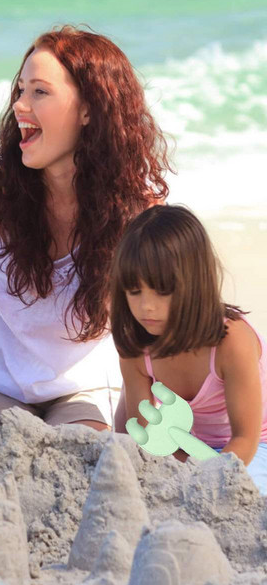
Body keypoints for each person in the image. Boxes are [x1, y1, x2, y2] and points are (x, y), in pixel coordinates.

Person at [0, 26, 170, 429]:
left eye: (39, 91)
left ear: (90, 109)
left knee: (80, 460)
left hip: (83, 389)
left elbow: (145, 339)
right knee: (3, 446)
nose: (20, 105)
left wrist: (129, 446)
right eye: (20, 90)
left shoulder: (138, 210)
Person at [112, 205, 267, 492]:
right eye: (135, 291)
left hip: (257, 444)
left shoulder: (231, 342)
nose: (147, 306)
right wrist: (180, 462)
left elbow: (246, 439)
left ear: (193, 284)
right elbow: (145, 437)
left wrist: (205, 476)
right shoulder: (135, 346)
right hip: (194, 445)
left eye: (162, 290)